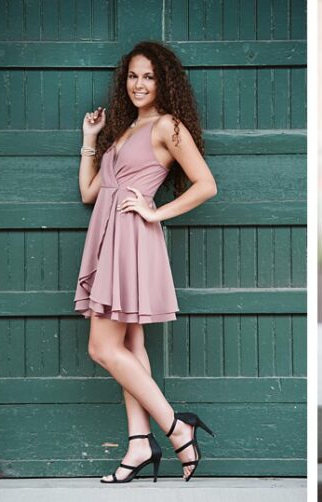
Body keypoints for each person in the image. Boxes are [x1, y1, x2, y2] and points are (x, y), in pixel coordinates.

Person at [77, 41, 218, 483]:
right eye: (134, 76)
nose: (139, 84)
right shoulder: (122, 132)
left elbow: (206, 184)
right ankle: (139, 444)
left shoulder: (167, 127)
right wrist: (89, 141)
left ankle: (177, 427)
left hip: (133, 240)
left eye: (149, 77)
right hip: (107, 238)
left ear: (164, 83)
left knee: (102, 348)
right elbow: (89, 193)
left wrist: (155, 211)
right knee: (131, 347)